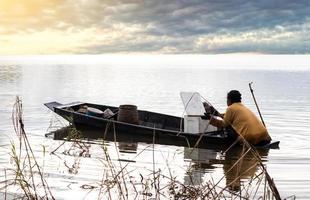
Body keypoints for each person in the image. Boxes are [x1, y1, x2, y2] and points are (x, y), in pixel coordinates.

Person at [203, 90, 271, 145]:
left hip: (250, 137)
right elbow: (229, 117)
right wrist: (217, 114)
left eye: (227, 99)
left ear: (229, 100)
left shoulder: (230, 108)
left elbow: (224, 124)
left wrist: (210, 119)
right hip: (263, 135)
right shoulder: (242, 107)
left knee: (228, 128)